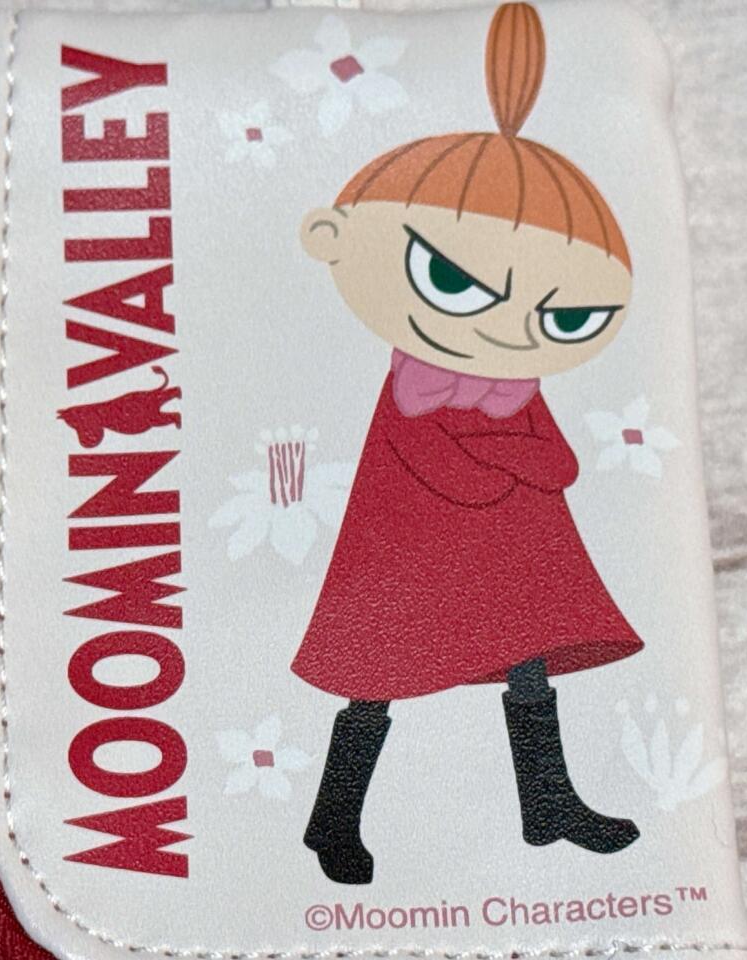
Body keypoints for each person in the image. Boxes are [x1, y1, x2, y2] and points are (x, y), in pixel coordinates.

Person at [291, 2, 644, 885]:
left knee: (529, 663)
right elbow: (460, 472)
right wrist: (504, 457)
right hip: (410, 559)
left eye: (562, 314)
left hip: (506, 555)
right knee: (376, 672)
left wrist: (501, 456)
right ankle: (332, 820)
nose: (509, 327)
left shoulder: (513, 383)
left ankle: (547, 806)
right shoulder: (416, 385)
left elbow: (556, 463)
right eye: (453, 279)